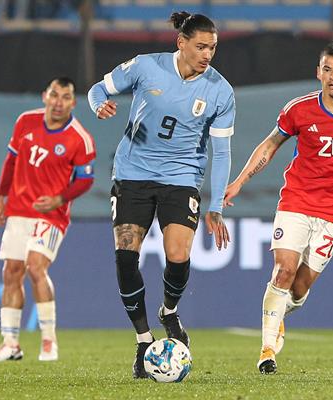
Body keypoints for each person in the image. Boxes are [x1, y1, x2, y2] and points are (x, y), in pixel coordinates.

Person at [224, 42, 333, 374]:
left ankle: (280, 314)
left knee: (299, 288)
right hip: (296, 200)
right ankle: (268, 349)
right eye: (327, 69)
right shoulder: (299, 109)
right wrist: (240, 180)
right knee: (283, 270)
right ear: (318, 72)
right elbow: (270, 144)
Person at [87, 11, 235, 379]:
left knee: (178, 253)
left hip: (182, 177)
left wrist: (215, 204)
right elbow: (97, 89)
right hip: (133, 173)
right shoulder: (145, 67)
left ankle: (169, 310)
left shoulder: (220, 91)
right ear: (180, 42)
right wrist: (98, 105)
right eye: (200, 46)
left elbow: (223, 152)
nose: (207, 54)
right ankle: (142, 341)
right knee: (125, 256)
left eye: (212, 48)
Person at [0, 77, 96, 362]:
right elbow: (11, 161)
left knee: (35, 267)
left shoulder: (79, 138)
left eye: (66, 97)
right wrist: (0, 198)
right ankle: (10, 343)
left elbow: (85, 179)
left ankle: (49, 341)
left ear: (73, 102)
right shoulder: (25, 122)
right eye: (54, 95)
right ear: (45, 95)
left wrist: (59, 199)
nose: (59, 102)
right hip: (19, 209)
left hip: (51, 214)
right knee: (11, 271)